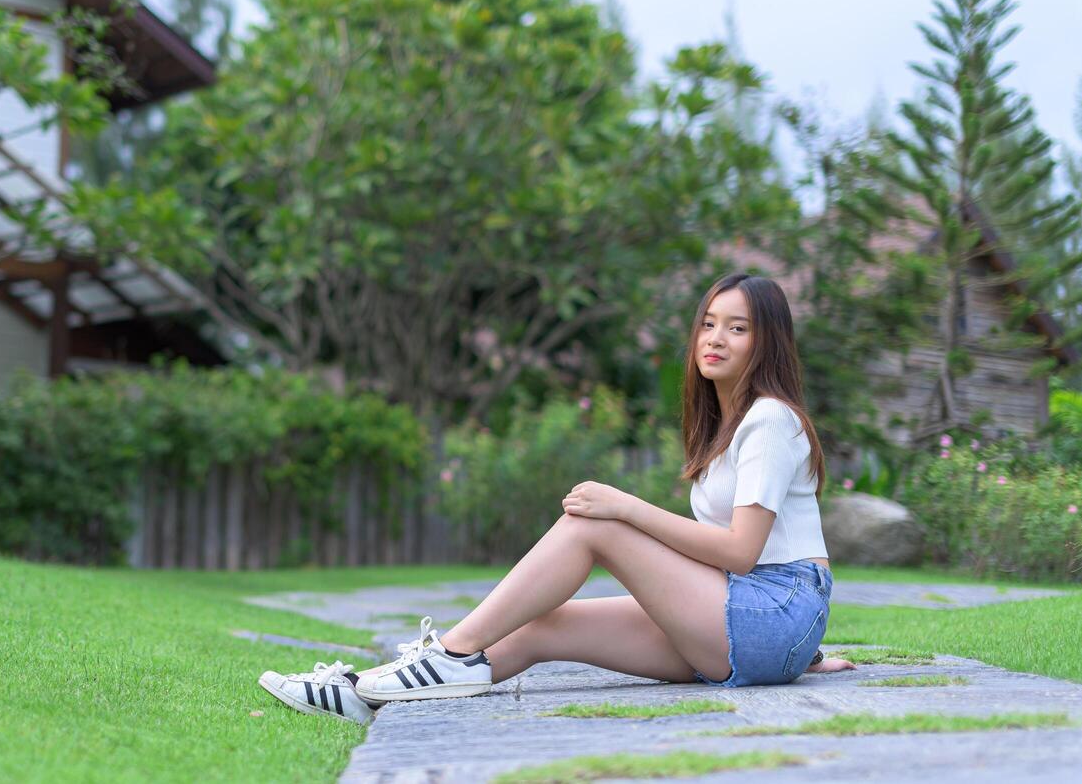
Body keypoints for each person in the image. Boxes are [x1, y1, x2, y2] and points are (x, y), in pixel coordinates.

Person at [257, 273, 857, 724]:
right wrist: (800, 650)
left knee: (593, 526)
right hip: (754, 622)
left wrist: (625, 507)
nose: (715, 338)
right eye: (708, 322)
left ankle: (450, 652)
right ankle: (364, 693)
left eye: (738, 327)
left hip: (768, 614)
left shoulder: (771, 420)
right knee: (542, 626)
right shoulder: (727, 426)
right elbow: (760, 557)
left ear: (766, 342)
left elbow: (744, 552)